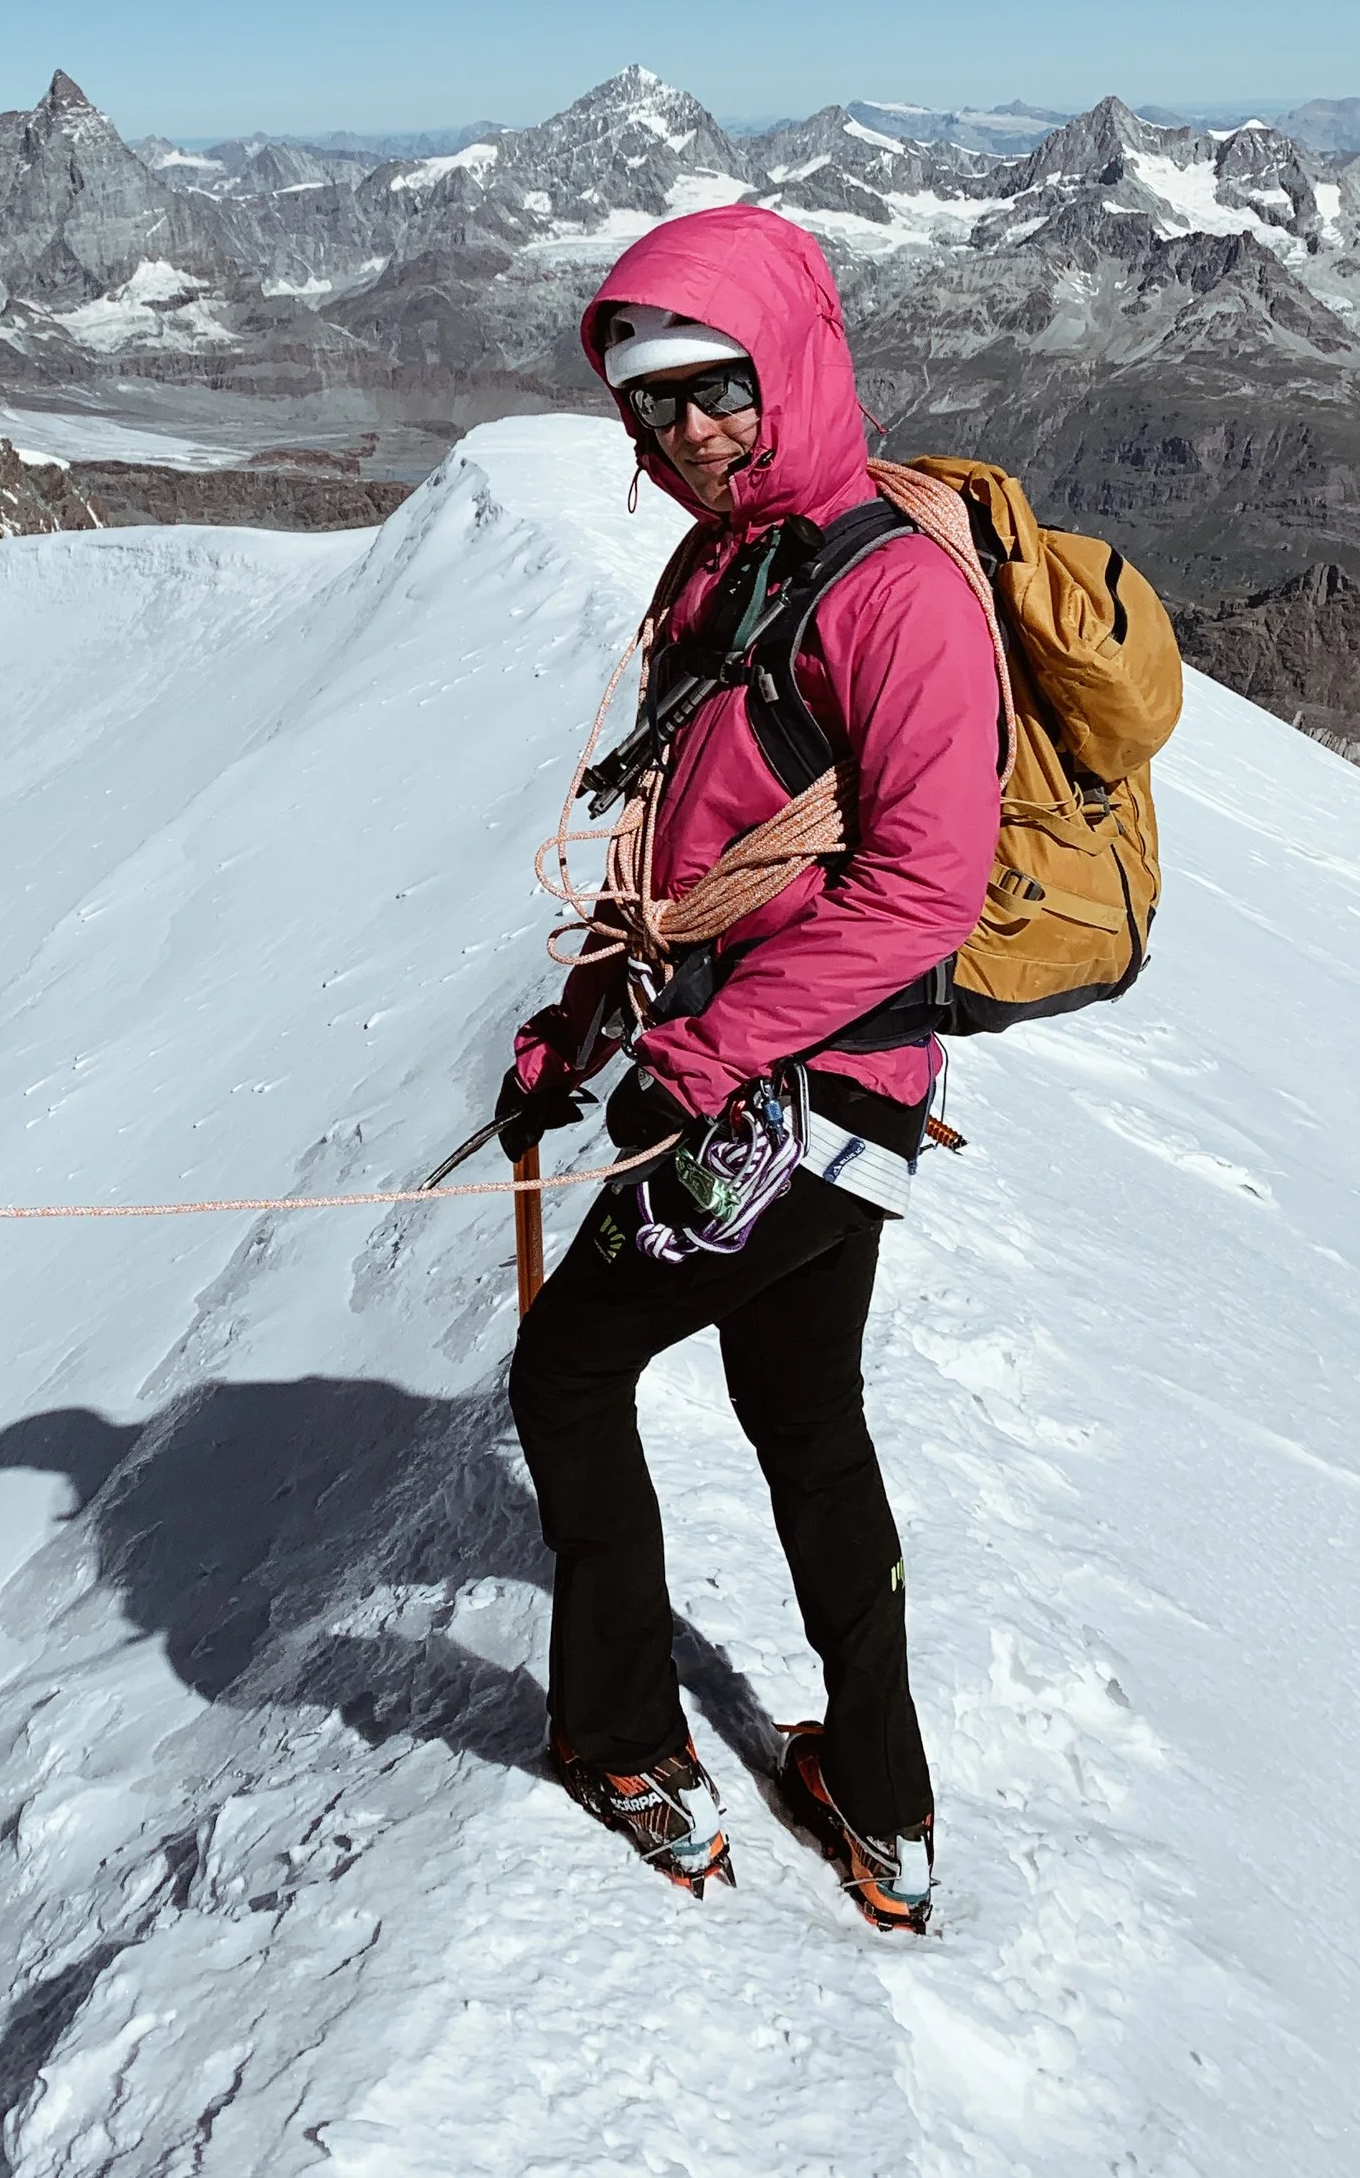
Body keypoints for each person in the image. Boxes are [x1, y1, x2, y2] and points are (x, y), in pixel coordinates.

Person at [502, 202, 1002, 1932]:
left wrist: (704, 1050)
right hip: (790, 1080)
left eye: (722, 388)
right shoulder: (727, 566)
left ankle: (627, 1741)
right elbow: (682, 841)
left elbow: (925, 888)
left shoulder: (894, 594)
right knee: (803, 1416)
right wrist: (582, 1027)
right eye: (655, 406)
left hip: (796, 1088)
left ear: (791, 365)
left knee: (568, 1374)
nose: (694, 433)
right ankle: (881, 1797)